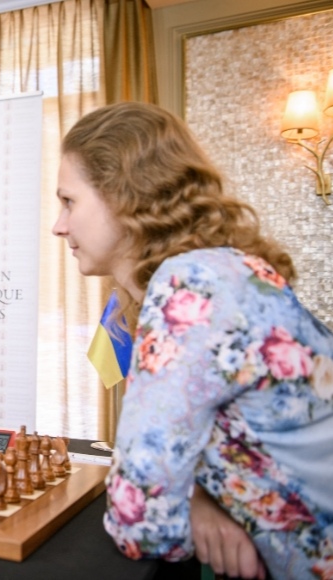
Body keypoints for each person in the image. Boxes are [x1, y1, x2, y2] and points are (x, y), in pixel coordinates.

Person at [52, 102, 333, 579]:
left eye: (69, 201)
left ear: (122, 196)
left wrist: (188, 501)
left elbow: (139, 521)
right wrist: (203, 498)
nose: (59, 226)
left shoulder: (191, 284)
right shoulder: (217, 267)